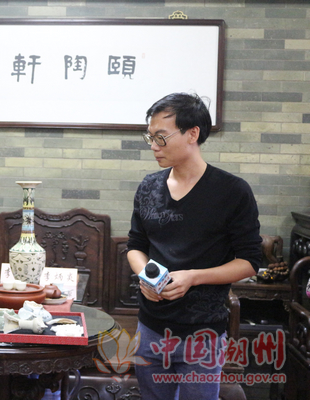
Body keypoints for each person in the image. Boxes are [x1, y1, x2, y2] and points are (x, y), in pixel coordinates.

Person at [126, 93, 262, 399]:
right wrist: (146, 277)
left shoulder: (232, 191)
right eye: (150, 137)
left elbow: (250, 261)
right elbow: (135, 246)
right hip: (150, 328)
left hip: (202, 334)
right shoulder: (149, 186)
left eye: (161, 137)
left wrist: (193, 277)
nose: (153, 146)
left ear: (192, 133)